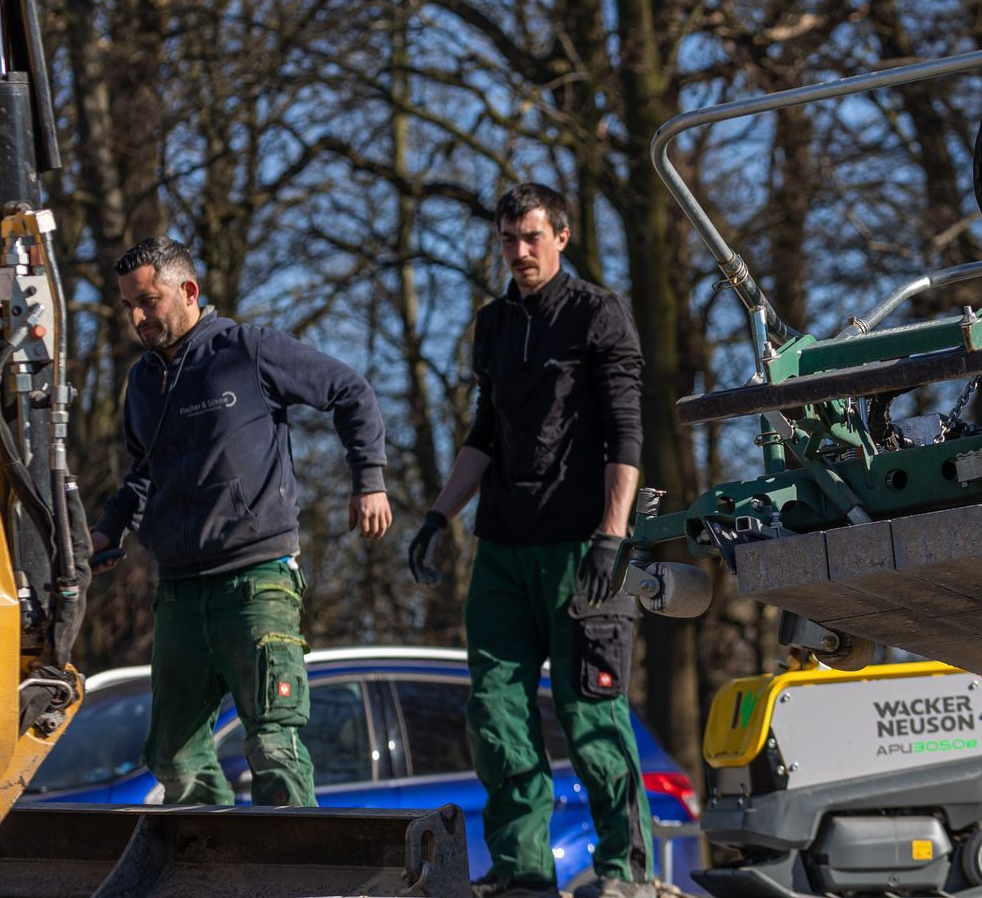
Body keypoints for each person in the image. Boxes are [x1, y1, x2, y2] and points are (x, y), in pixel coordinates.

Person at [408, 184, 656, 898]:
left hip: (581, 546)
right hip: (503, 549)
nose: (518, 252)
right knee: (496, 713)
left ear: (563, 236)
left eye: (531, 238)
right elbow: (485, 433)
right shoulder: (492, 325)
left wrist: (613, 535)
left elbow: (625, 430)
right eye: (508, 240)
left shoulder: (597, 314)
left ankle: (623, 870)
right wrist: (437, 515)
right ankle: (522, 872)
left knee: (591, 713)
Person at [89, 235, 392, 807]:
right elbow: (141, 475)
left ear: (189, 291)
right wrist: (108, 530)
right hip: (179, 591)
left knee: (273, 747)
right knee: (171, 756)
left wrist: (369, 480)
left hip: (256, 582)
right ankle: (211, 875)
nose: (137, 316)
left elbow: (350, 391)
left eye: (148, 301)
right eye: (128, 304)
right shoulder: (142, 385)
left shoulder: (245, 351)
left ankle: (293, 881)